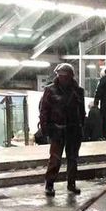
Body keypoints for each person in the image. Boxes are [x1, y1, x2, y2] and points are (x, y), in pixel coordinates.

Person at [39, 63, 86, 196]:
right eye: (60, 76)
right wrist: (45, 128)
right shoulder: (50, 90)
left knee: (73, 159)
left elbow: (81, 111)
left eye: (65, 76)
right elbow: (44, 110)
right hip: (57, 130)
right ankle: (49, 184)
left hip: (73, 130)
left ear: (71, 76)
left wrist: (82, 127)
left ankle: (71, 184)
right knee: (55, 159)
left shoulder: (78, 91)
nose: (62, 78)